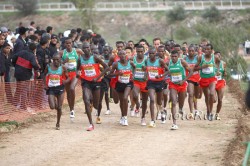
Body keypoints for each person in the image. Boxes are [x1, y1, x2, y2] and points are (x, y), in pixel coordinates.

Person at [77, 42, 108, 131]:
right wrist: (77, 73)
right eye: (84, 48)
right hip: (86, 82)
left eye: (87, 48)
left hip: (96, 82)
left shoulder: (95, 57)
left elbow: (106, 68)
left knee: (96, 105)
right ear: (82, 50)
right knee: (86, 100)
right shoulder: (80, 59)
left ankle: (97, 112)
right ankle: (91, 124)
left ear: (90, 48)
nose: (86, 49)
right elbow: (77, 69)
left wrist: (97, 77)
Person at [59, 37, 84, 119]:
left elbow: (86, 59)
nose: (68, 44)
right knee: (68, 92)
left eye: (70, 43)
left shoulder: (77, 51)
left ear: (72, 43)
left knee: (72, 88)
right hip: (66, 74)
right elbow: (57, 64)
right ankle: (71, 109)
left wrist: (80, 69)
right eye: (67, 43)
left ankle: (72, 110)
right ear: (64, 44)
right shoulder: (61, 53)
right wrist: (63, 62)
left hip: (74, 74)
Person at [44, 53, 70, 130]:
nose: (55, 61)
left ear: (60, 60)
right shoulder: (48, 66)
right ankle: (57, 107)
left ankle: (58, 122)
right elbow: (43, 75)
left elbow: (68, 78)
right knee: (52, 107)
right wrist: (45, 84)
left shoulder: (63, 67)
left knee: (59, 107)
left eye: (57, 60)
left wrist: (66, 81)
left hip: (60, 88)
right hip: (51, 88)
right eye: (54, 60)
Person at [194, 44, 220, 121]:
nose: (207, 51)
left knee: (212, 94)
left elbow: (219, 62)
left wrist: (217, 70)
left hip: (212, 79)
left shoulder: (214, 57)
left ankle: (211, 112)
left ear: (212, 50)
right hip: (204, 79)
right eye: (205, 49)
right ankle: (208, 111)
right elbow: (195, 68)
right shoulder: (200, 57)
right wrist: (202, 67)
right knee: (207, 96)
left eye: (208, 49)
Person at [12, 43, 40, 111]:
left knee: (18, 89)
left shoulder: (21, 52)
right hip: (25, 74)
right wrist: (37, 70)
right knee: (24, 90)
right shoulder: (32, 55)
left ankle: (15, 104)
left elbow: (14, 57)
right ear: (34, 49)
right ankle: (23, 106)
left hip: (17, 72)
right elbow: (34, 64)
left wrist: (15, 65)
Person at [168, 50, 193, 130]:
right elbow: (167, 71)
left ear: (178, 57)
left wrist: (184, 80)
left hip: (182, 85)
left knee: (181, 101)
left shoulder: (182, 62)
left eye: (175, 56)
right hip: (173, 84)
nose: (174, 58)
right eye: (172, 56)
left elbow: (191, 72)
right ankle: (174, 123)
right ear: (170, 57)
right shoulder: (169, 63)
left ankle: (181, 108)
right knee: (174, 102)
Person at [146, 47, 169, 127]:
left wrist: (161, 75)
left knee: (159, 102)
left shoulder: (160, 61)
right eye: (150, 53)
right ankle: (152, 120)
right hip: (151, 83)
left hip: (160, 82)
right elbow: (145, 70)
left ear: (155, 54)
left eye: (153, 53)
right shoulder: (147, 61)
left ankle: (162, 111)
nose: (151, 55)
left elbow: (168, 70)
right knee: (152, 100)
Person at [109, 50, 133, 126]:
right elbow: (110, 74)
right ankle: (122, 116)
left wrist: (133, 75)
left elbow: (135, 68)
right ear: (118, 55)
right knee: (122, 101)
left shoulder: (130, 63)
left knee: (125, 98)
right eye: (120, 54)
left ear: (126, 54)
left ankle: (125, 118)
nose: (122, 55)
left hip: (128, 83)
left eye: (124, 54)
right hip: (119, 84)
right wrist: (117, 73)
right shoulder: (116, 64)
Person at [131, 45, 148, 125]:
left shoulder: (147, 59)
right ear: (136, 51)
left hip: (145, 82)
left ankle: (143, 118)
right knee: (134, 95)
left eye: (141, 51)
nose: (140, 53)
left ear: (144, 51)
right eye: (138, 51)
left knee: (144, 101)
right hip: (136, 81)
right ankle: (137, 105)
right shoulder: (133, 59)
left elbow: (151, 69)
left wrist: (146, 69)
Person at [184, 45, 202, 119]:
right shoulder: (185, 58)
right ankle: (191, 112)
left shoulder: (198, 58)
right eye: (190, 51)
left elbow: (201, 67)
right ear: (187, 51)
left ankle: (196, 108)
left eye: (192, 51)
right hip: (189, 78)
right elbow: (184, 67)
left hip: (197, 78)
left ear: (195, 51)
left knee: (196, 95)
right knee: (190, 94)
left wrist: (194, 69)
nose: (191, 52)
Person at [157, 45, 170, 121]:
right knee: (158, 97)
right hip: (158, 80)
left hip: (166, 79)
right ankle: (159, 111)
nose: (161, 52)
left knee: (165, 94)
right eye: (159, 51)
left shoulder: (168, 60)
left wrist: (168, 55)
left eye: (162, 51)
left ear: (164, 52)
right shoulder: (155, 60)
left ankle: (164, 107)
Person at [98, 46, 111, 116]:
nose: (106, 52)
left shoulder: (111, 58)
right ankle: (107, 109)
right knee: (104, 93)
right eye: (104, 51)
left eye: (107, 50)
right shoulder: (101, 58)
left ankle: (108, 108)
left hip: (111, 77)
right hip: (104, 77)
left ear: (109, 51)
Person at [214, 51, 227, 120]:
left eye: (219, 56)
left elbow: (225, 73)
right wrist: (215, 74)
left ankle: (217, 114)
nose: (217, 57)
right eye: (216, 56)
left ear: (220, 57)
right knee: (214, 100)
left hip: (220, 82)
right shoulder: (211, 64)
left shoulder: (223, 63)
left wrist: (224, 73)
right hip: (213, 82)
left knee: (220, 99)